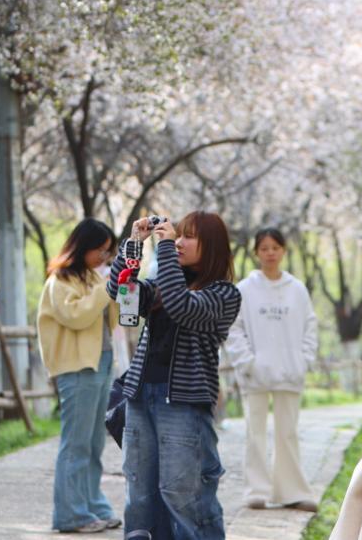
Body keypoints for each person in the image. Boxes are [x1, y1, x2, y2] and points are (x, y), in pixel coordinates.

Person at [106, 212, 242, 540]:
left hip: (183, 404)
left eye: (188, 236)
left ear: (212, 246)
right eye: (177, 235)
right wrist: (134, 245)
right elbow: (121, 293)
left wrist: (164, 248)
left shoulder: (224, 294)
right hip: (140, 398)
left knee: (182, 494)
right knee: (139, 494)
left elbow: (182, 306)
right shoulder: (162, 286)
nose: (179, 242)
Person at [37, 218, 122, 534]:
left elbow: (110, 318)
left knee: (95, 442)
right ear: (83, 247)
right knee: (76, 443)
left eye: (108, 251)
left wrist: (118, 289)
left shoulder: (93, 277)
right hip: (76, 367)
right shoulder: (60, 281)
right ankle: (71, 514)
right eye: (100, 250)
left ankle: (93, 505)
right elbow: (77, 316)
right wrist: (107, 287)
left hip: (101, 361)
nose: (104, 256)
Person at [224, 228, 318, 510]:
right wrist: (247, 362)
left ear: (283, 251)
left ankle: (291, 491)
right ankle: (257, 490)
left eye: (275, 248)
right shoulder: (245, 288)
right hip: (255, 374)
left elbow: (310, 326)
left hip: (290, 372)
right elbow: (234, 328)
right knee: (255, 432)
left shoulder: (297, 289)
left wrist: (303, 360)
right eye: (264, 248)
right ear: (256, 253)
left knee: (287, 433)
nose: (270, 253)